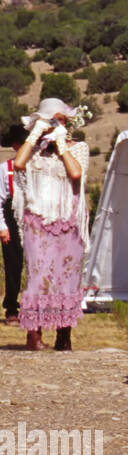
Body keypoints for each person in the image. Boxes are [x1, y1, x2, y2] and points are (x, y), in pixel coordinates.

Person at [12, 98, 91, 351]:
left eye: (62, 119)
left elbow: (76, 173)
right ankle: (33, 335)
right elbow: (19, 163)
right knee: (39, 276)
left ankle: (63, 334)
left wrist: (61, 144)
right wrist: (35, 135)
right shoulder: (34, 150)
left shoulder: (78, 147)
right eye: (53, 119)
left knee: (67, 278)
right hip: (37, 220)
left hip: (68, 220)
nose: (59, 123)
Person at [0, 124, 28, 325]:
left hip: (34, 213)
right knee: (13, 264)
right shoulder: (4, 169)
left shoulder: (38, 167)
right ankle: (11, 307)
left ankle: (36, 305)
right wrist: (2, 226)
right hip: (11, 215)